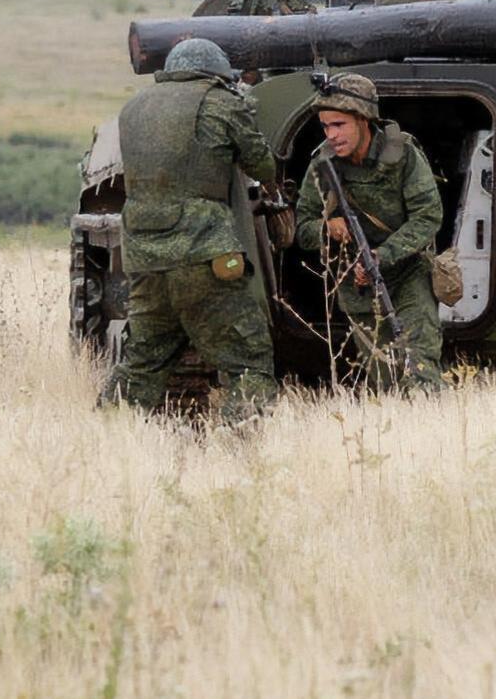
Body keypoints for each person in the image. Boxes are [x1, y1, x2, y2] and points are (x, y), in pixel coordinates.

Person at [108, 37, 280, 424]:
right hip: (204, 252)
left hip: (144, 257)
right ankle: (241, 443)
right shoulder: (221, 102)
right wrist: (245, 114)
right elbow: (263, 165)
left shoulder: (134, 108)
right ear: (217, 73)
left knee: (142, 361)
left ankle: (107, 436)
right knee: (248, 358)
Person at [294, 72, 446, 391]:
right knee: (386, 377)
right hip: (357, 285)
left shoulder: (401, 154)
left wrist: (382, 255)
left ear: (364, 120)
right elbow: (302, 229)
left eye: (339, 125)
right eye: (326, 126)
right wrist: (328, 228)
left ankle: (432, 425)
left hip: (407, 274)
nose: (331, 134)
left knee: (419, 366)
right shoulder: (323, 165)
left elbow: (428, 216)